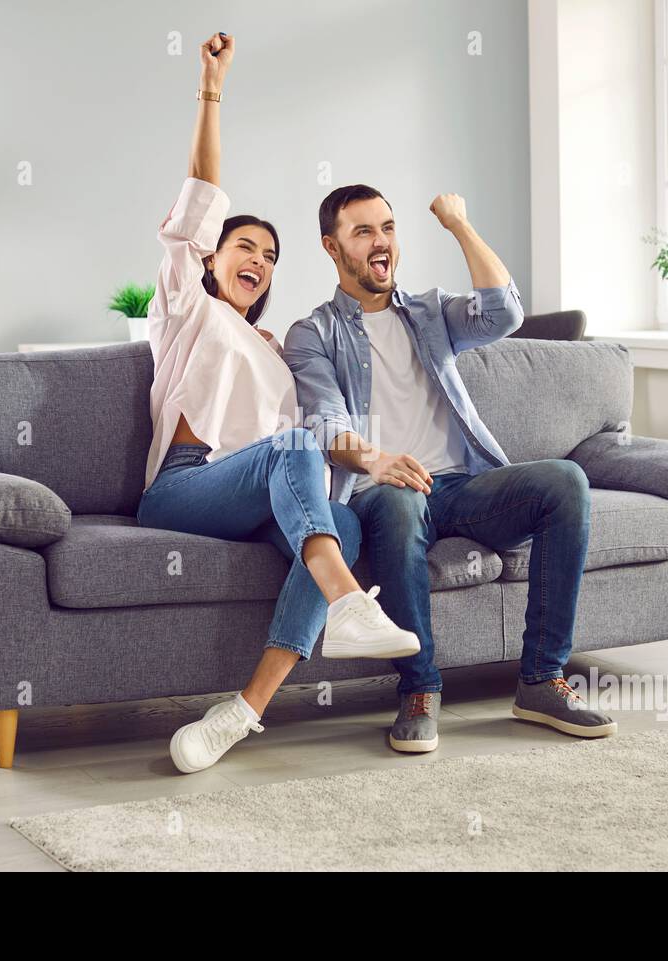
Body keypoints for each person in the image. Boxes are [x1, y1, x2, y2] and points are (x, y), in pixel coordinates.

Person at [137, 34, 419, 775]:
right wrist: (212, 89)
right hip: (185, 486)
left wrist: (374, 458)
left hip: (259, 492)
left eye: (270, 255)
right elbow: (200, 190)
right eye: (245, 246)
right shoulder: (185, 312)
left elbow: (312, 440)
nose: (259, 260)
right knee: (298, 454)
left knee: (347, 520)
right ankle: (350, 604)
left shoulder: (274, 349)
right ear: (211, 255)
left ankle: (243, 709)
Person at [283, 184, 617, 755]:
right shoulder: (314, 334)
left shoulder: (430, 312)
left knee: (566, 482)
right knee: (396, 498)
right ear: (332, 248)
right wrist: (376, 459)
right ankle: (419, 688)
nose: (381, 242)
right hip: (379, 492)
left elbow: (504, 312)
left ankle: (540, 679)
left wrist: (459, 226)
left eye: (387, 228)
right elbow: (323, 420)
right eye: (362, 232)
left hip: (460, 487)